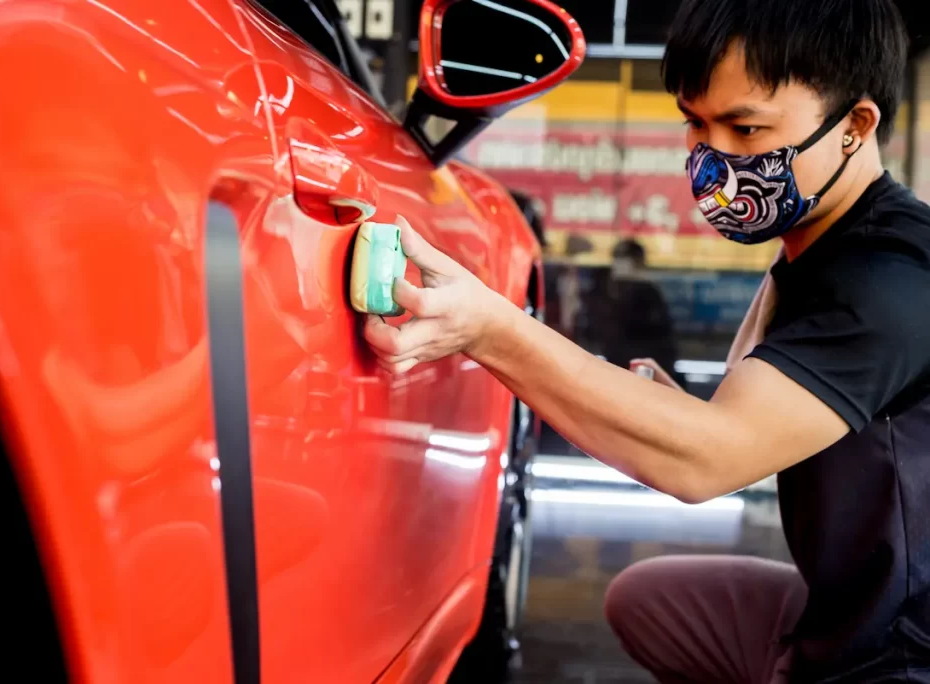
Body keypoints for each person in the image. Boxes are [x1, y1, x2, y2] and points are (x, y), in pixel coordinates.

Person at [362, 0, 930, 680]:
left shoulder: (892, 279)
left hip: (902, 653)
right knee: (651, 601)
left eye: (746, 127)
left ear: (854, 127)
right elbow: (718, 432)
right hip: (848, 612)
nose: (714, 155)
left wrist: (490, 326)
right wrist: (660, 416)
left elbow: (705, 460)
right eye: (696, 121)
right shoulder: (819, 249)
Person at [586, 238, 684, 389]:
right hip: (614, 372)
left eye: (624, 258)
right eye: (617, 258)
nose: (619, 264)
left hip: (645, 376)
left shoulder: (648, 293)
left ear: (638, 262)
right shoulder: (604, 291)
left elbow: (662, 341)